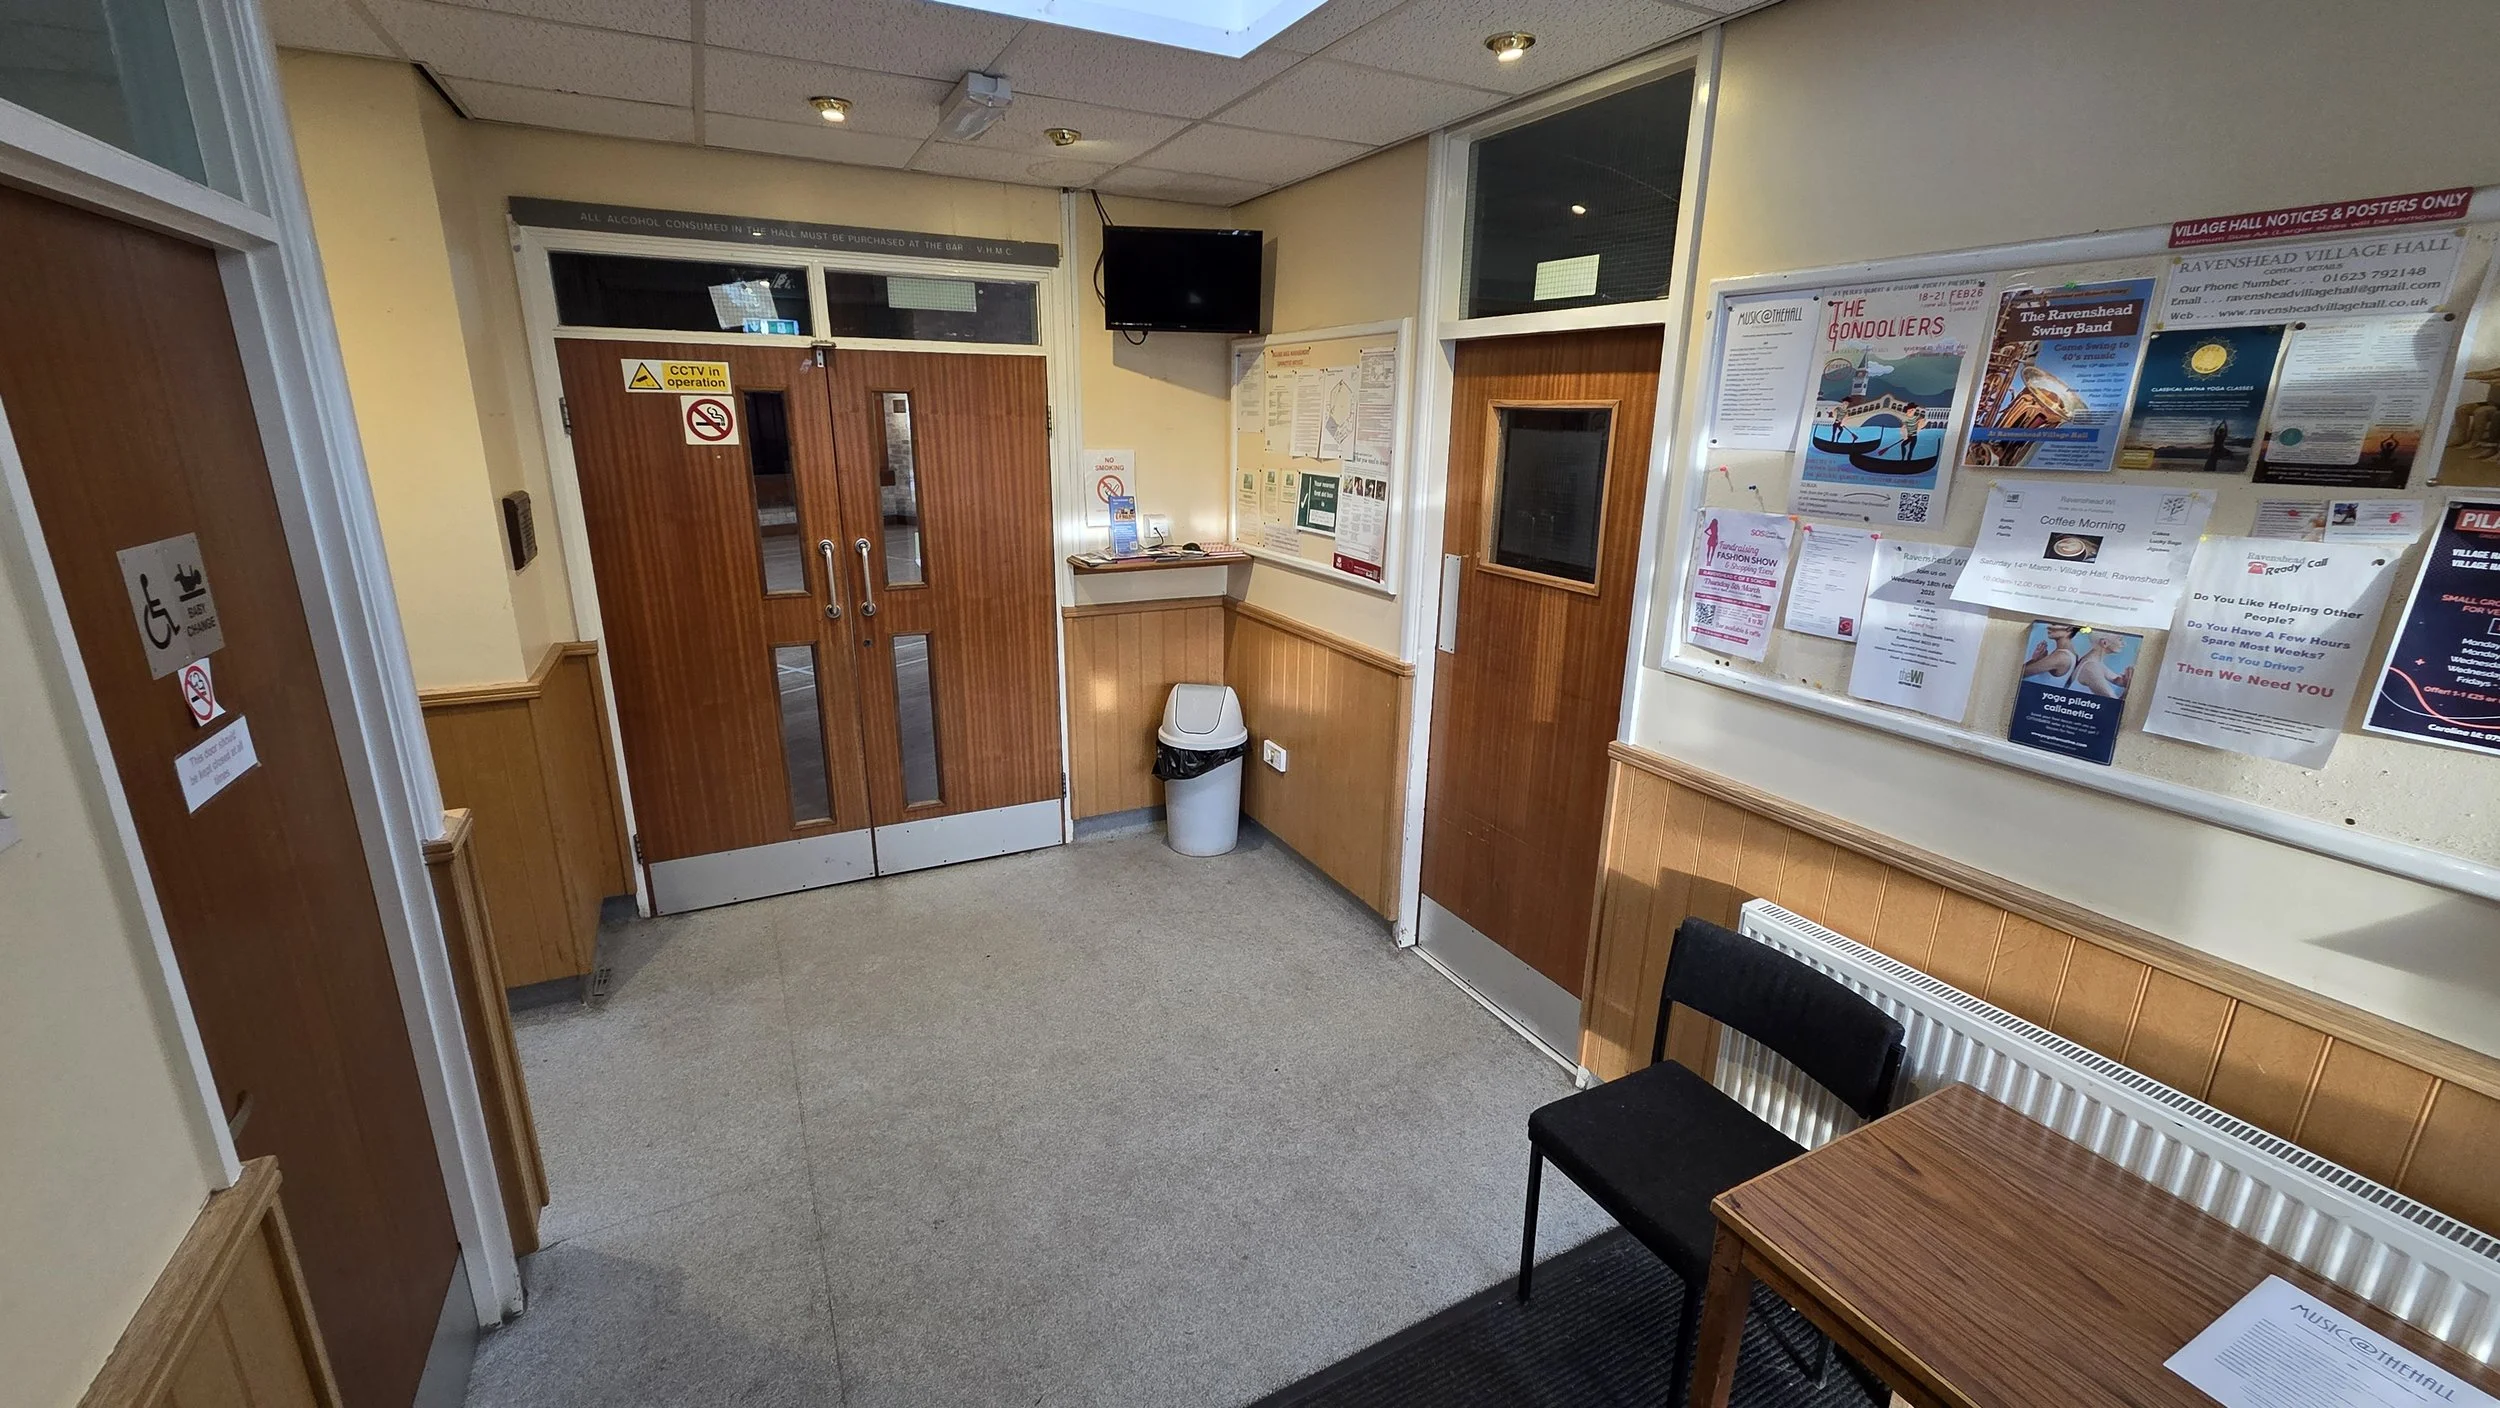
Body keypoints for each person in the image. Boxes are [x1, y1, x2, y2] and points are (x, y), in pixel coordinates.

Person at [2071, 631, 2133, 697]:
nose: (2124, 644)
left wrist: (2128, 678)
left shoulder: (2094, 661)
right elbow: (2114, 702)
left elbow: (2117, 680)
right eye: (2120, 639)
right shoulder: (2091, 667)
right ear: (2104, 643)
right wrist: (2129, 687)